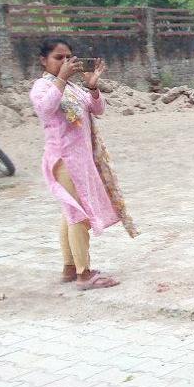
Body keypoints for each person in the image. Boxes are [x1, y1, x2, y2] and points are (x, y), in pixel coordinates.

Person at [30, 38, 137, 290]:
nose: (65, 62)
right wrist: (61, 79)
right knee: (78, 214)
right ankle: (84, 274)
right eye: (59, 57)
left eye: (69, 57)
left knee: (70, 213)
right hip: (64, 160)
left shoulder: (73, 88)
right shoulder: (41, 87)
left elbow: (97, 109)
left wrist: (92, 87)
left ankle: (70, 267)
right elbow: (45, 109)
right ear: (43, 61)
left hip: (80, 160)